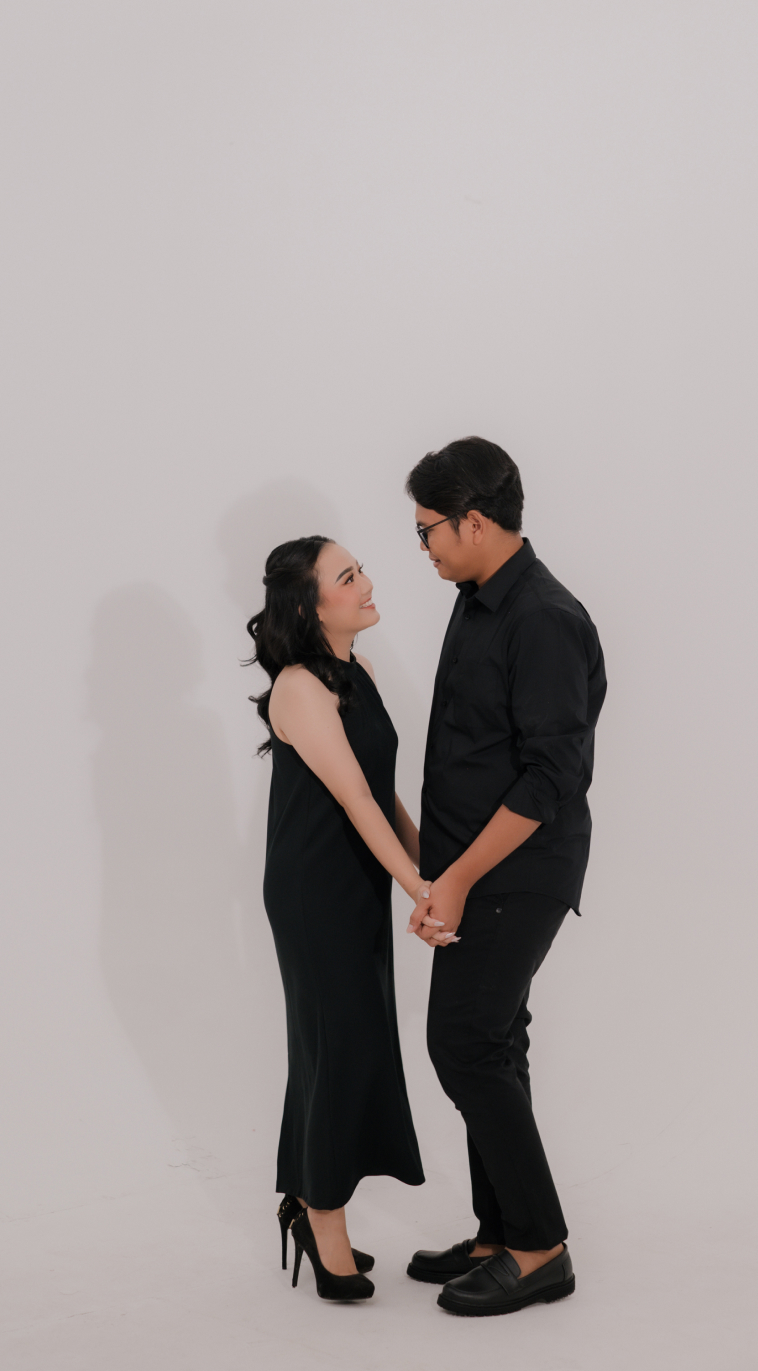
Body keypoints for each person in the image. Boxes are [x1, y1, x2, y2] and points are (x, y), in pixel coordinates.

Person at [403, 437, 606, 1317]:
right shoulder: (476, 597)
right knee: (493, 1041)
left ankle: (539, 1247)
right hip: (471, 868)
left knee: (465, 1042)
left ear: (474, 521)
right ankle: (499, 1231)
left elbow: (550, 778)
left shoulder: (545, 618)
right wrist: (435, 869)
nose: (422, 547)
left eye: (428, 530)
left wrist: (456, 879)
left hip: (519, 870)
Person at [247, 535, 444, 1303]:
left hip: (356, 881)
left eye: (359, 570)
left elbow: (380, 791)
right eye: (347, 576)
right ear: (309, 606)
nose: (366, 583)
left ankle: (305, 1197)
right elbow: (354, 800)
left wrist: (429, 871)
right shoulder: (299, 686)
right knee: (336, 1046)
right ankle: (322, 1220)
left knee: (340, 1044)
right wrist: (418, 888)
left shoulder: (355, 671)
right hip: (314, 889)